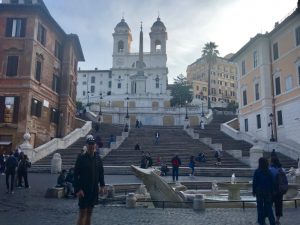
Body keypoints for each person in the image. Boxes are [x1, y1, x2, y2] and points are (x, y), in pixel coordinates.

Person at [74, 135, 106, 225]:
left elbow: (101, 173)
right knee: (82, 213)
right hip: (83, 190)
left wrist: (102, 185)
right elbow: (75, 175)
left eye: (93, 144)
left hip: (93, 189)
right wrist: (78, 189)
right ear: (87, 145)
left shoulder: (98, 158)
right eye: (89, 144)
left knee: (89, 213)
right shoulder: (81, 158)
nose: (91, 146)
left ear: (95, 145)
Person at [252, 157, 275, 225]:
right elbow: (272, 182)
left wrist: (253, 191)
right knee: (269, 207)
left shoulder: (257, 171)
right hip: (268, 192)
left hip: (259, 192)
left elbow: (254, 182)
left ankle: (261, 222)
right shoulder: (269, 172)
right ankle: (272, 221)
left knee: (260, 207)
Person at [270, 157, 287, 225]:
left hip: (271, 191)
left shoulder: (270, 169)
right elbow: (285, 181)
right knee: (279, 206)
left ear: (272, 162)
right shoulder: (281, 170)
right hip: (279, 191)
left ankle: (271, 218)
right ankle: (277, 220)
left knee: (269, 205)